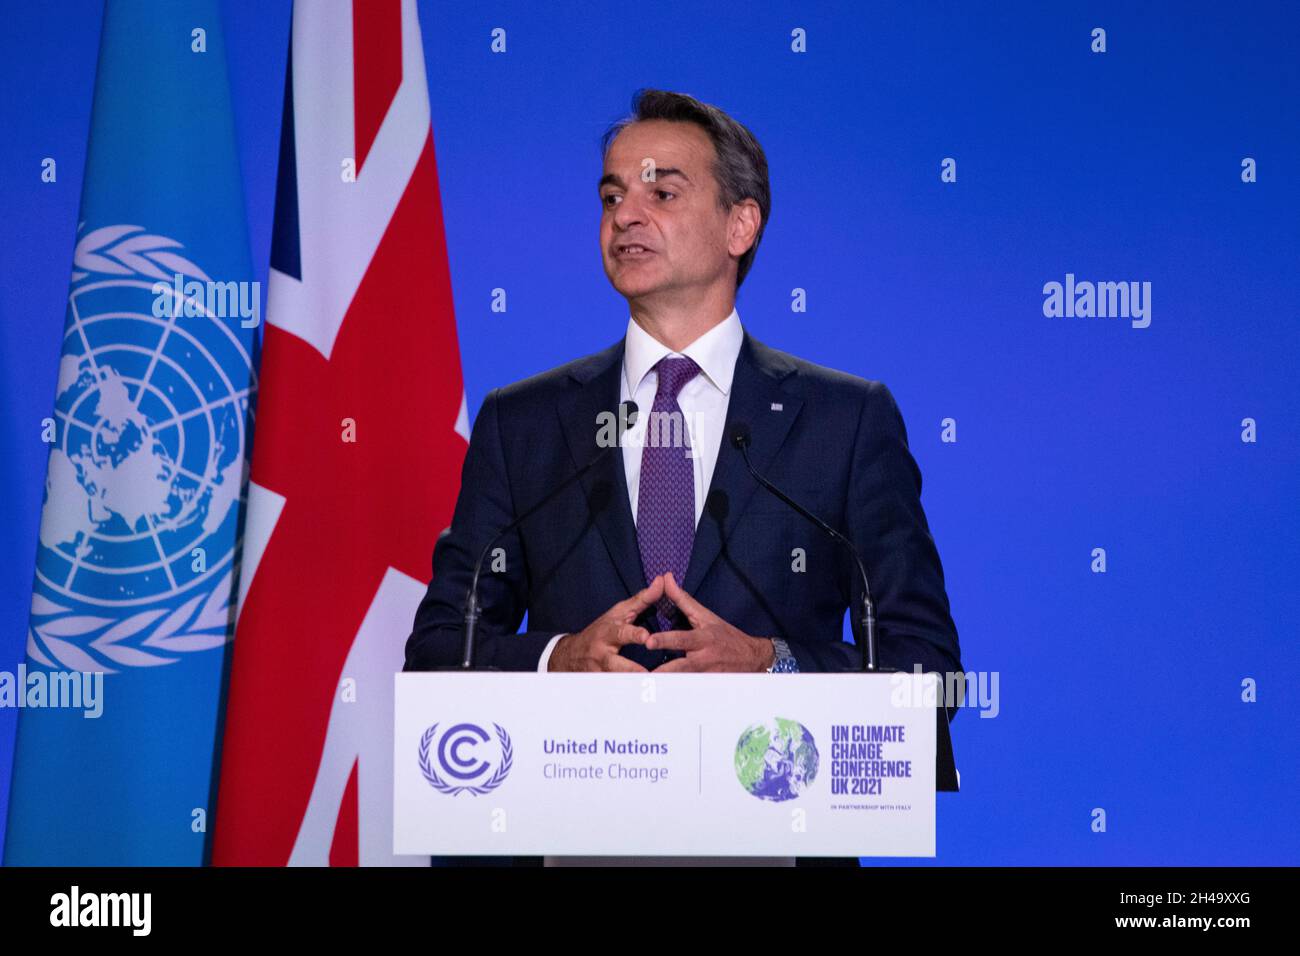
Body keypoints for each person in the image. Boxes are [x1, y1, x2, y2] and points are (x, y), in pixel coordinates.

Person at [405, 89, 962, 867]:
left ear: (742, 224)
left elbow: (927, 672)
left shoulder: (845, 421)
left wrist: (772, 664)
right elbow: (438, 652)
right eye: (611, 196)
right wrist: (557, 658)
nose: (626, 216)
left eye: (662, 192)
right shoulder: (522, 423)